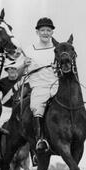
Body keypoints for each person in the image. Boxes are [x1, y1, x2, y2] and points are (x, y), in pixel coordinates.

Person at [19, 17, 59, 153]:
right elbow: (20, 72)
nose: (46, 33)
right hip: (39, 86)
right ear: (37, 32)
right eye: (43, 30)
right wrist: (24, 65)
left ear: (52, 32)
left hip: (56, 84)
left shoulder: (57, 49)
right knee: (36, 106)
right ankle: (41, 139)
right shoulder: (29, 50)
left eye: (48, 30)